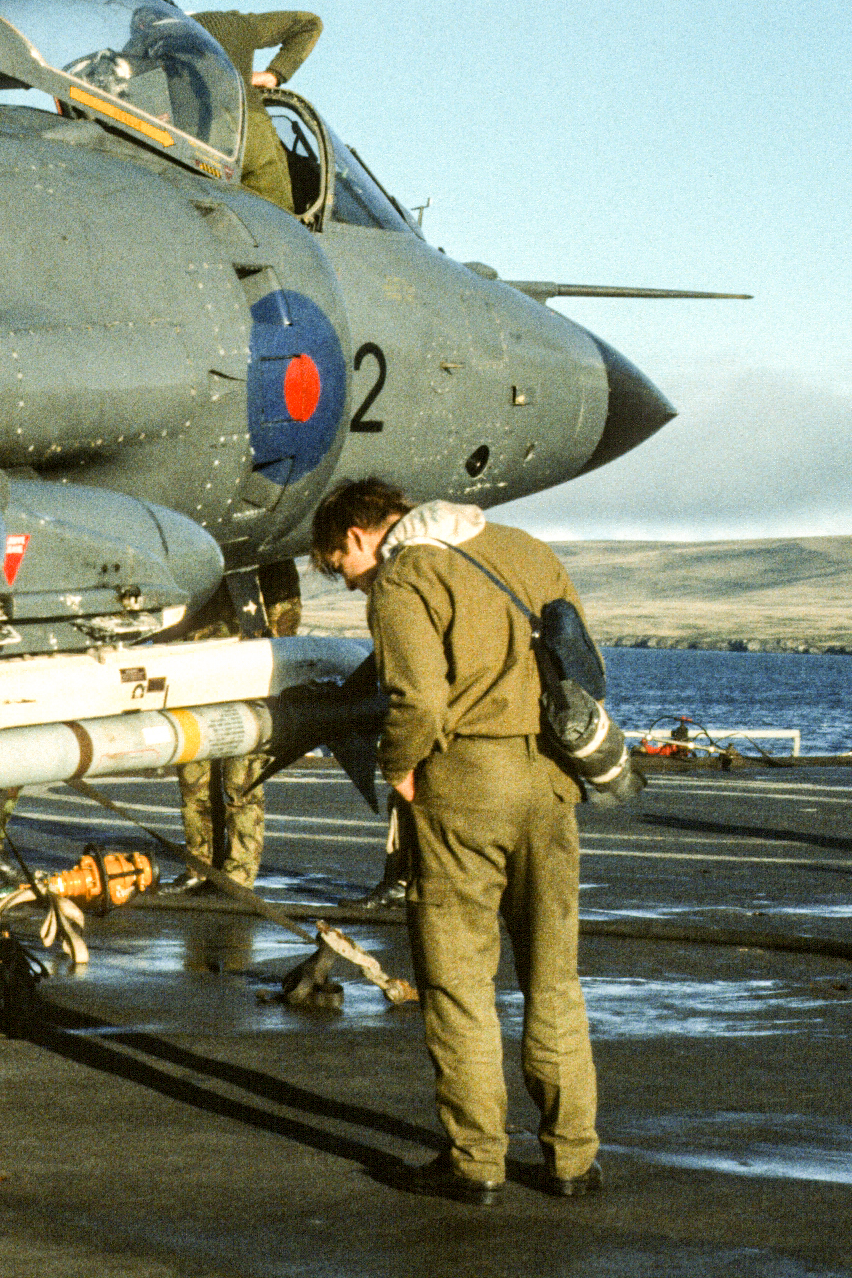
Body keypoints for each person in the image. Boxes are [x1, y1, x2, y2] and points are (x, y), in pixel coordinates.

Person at [310, 479, 602, 1205]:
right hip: (552, 784)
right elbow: (583, 664)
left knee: (461, 984)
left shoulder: (404, 576)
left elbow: (420, 700)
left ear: (356, 536)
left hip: (464, 791)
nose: (354, 586)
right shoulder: (526, 549)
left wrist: (397, 765)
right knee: (555, 978)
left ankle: (476, 1161)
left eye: (343, 570)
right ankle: (572, 1158)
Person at [177, 561, 301, 889]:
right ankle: (199, 864)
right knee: (193, 773)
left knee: (240, 779)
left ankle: (239, 874)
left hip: (245, 660)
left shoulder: (257, 535)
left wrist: (278, 659)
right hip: (192, 655)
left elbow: (284, 601)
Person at [188, 10, 322, 213]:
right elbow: (310, 23)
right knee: (278, 221)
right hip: (248, 126)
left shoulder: (153, 38)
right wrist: (274, 75)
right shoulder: (231, 23)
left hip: (192, 134)